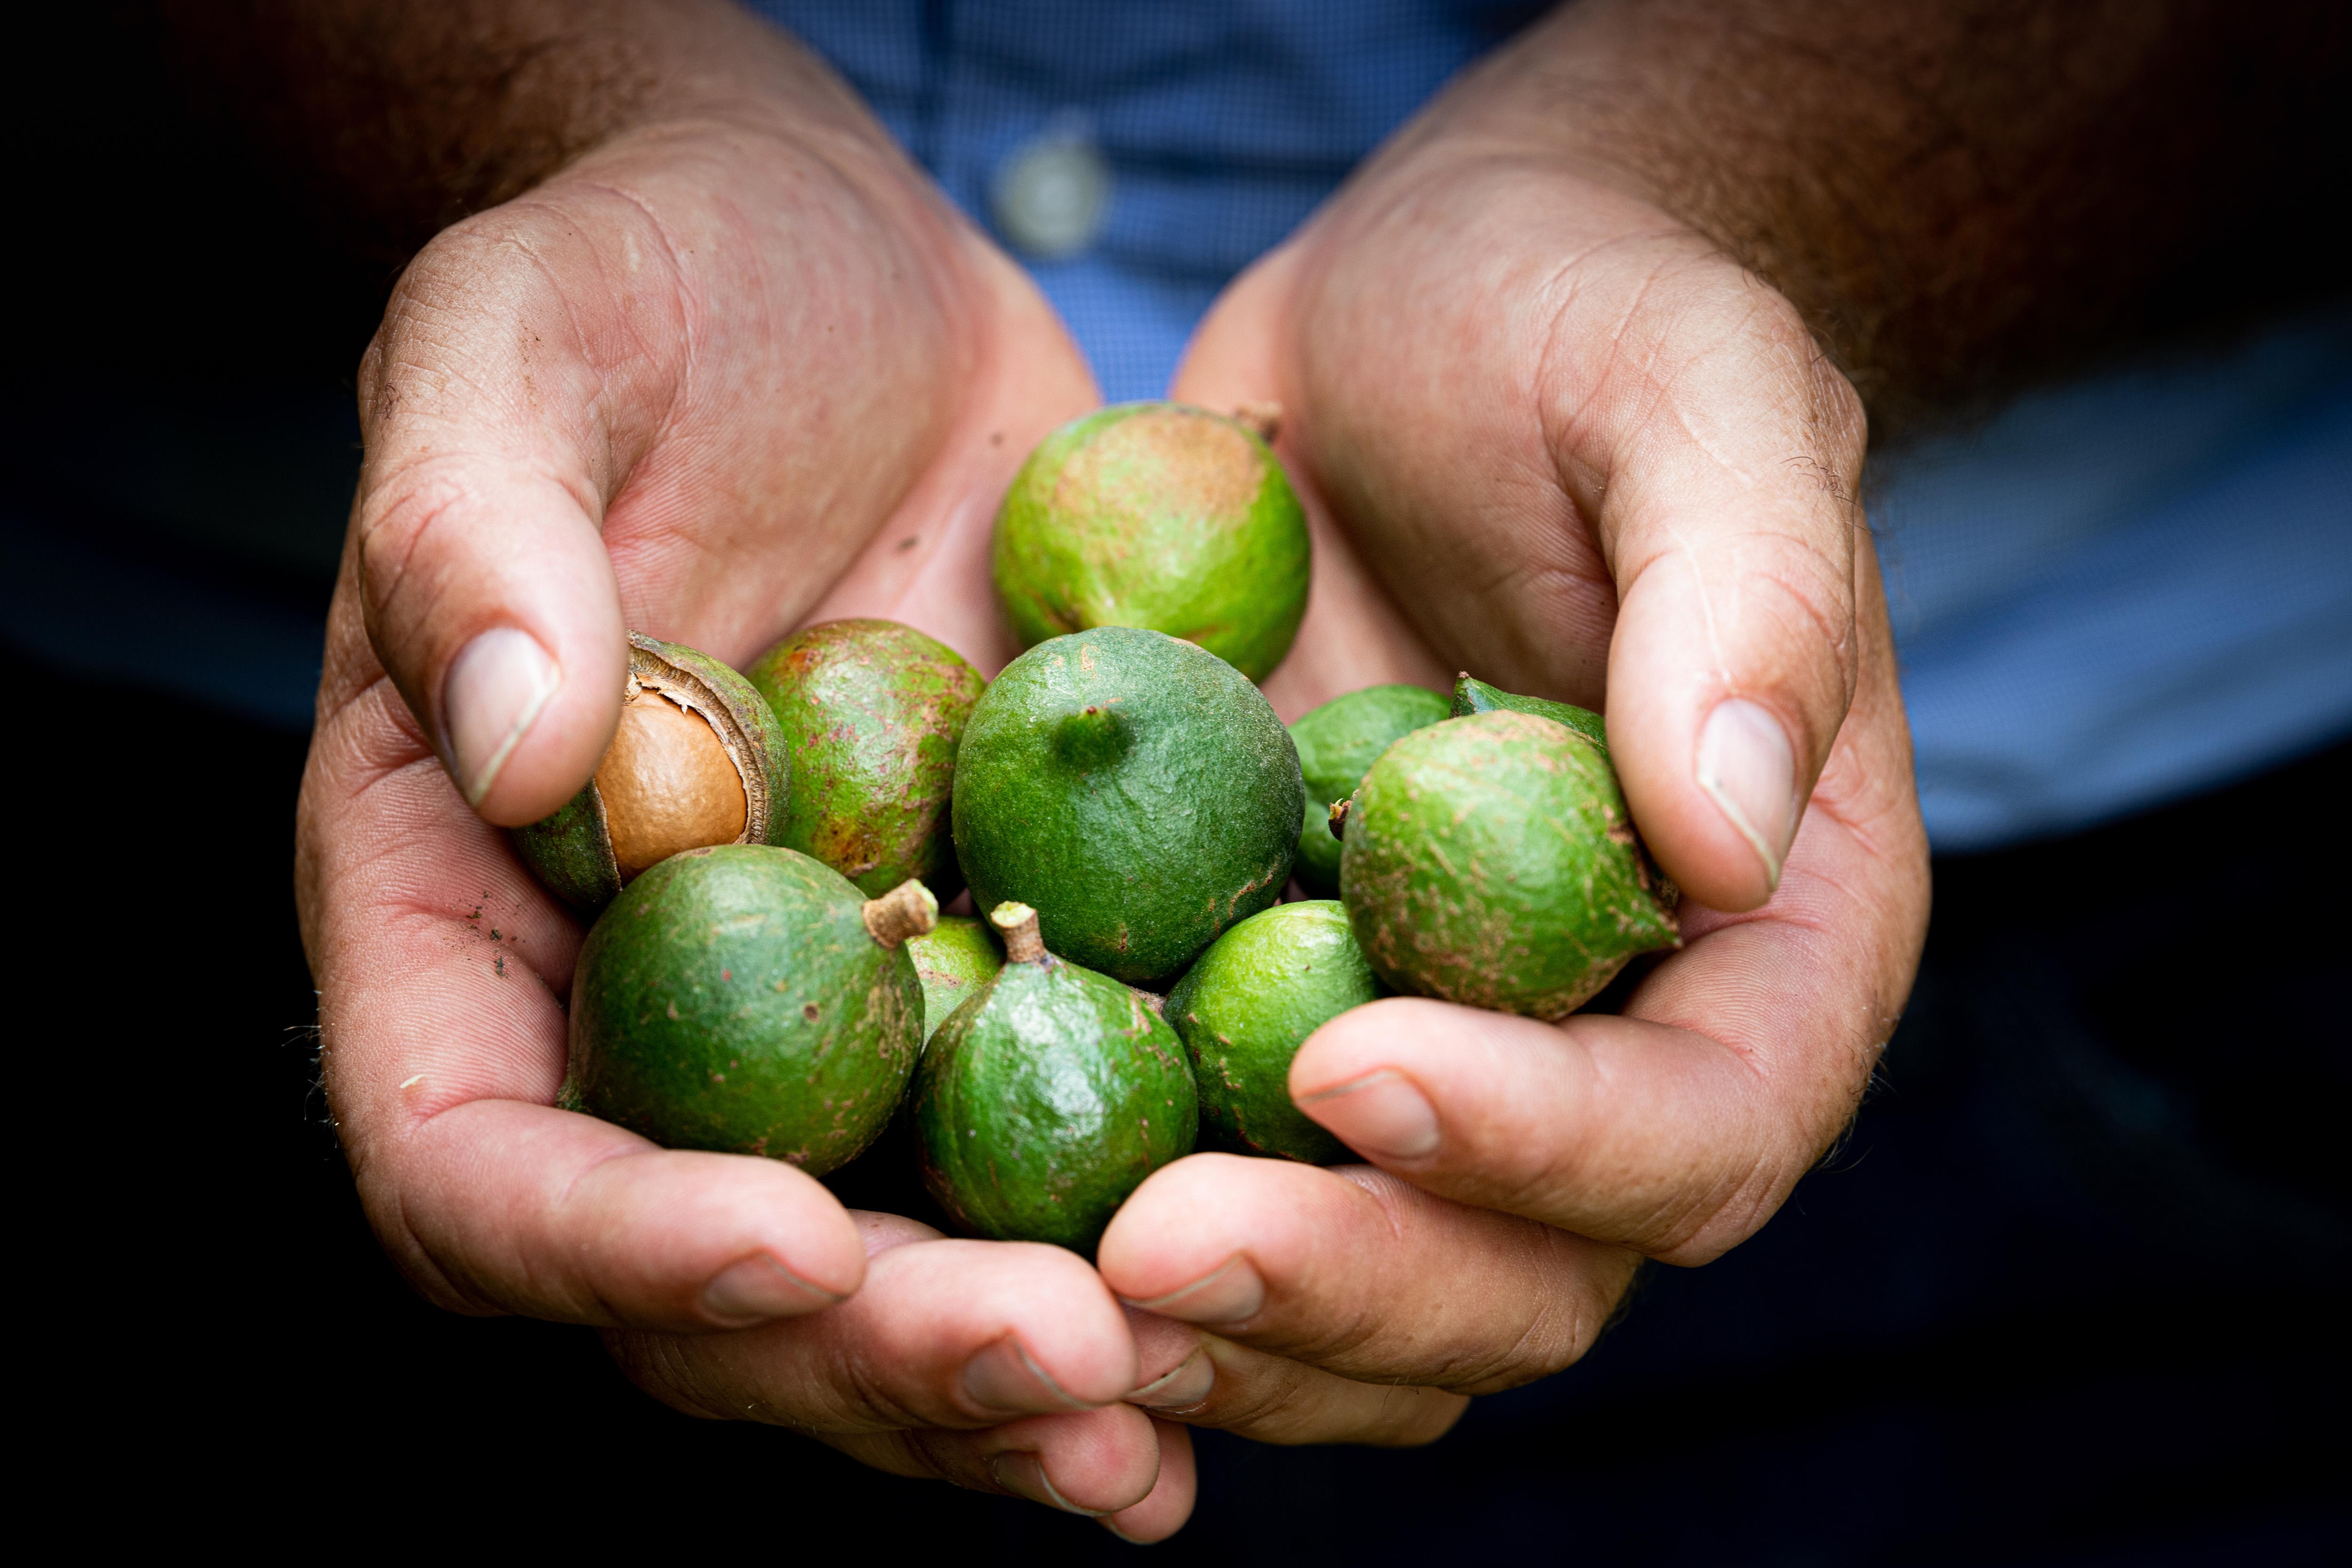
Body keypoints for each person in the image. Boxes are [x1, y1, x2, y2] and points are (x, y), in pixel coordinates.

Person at [110, 0, 2331, 1544]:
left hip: (2131, 961)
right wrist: (543, 125)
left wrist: (1726, 187)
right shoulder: (965, 824)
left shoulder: (1152, 807)